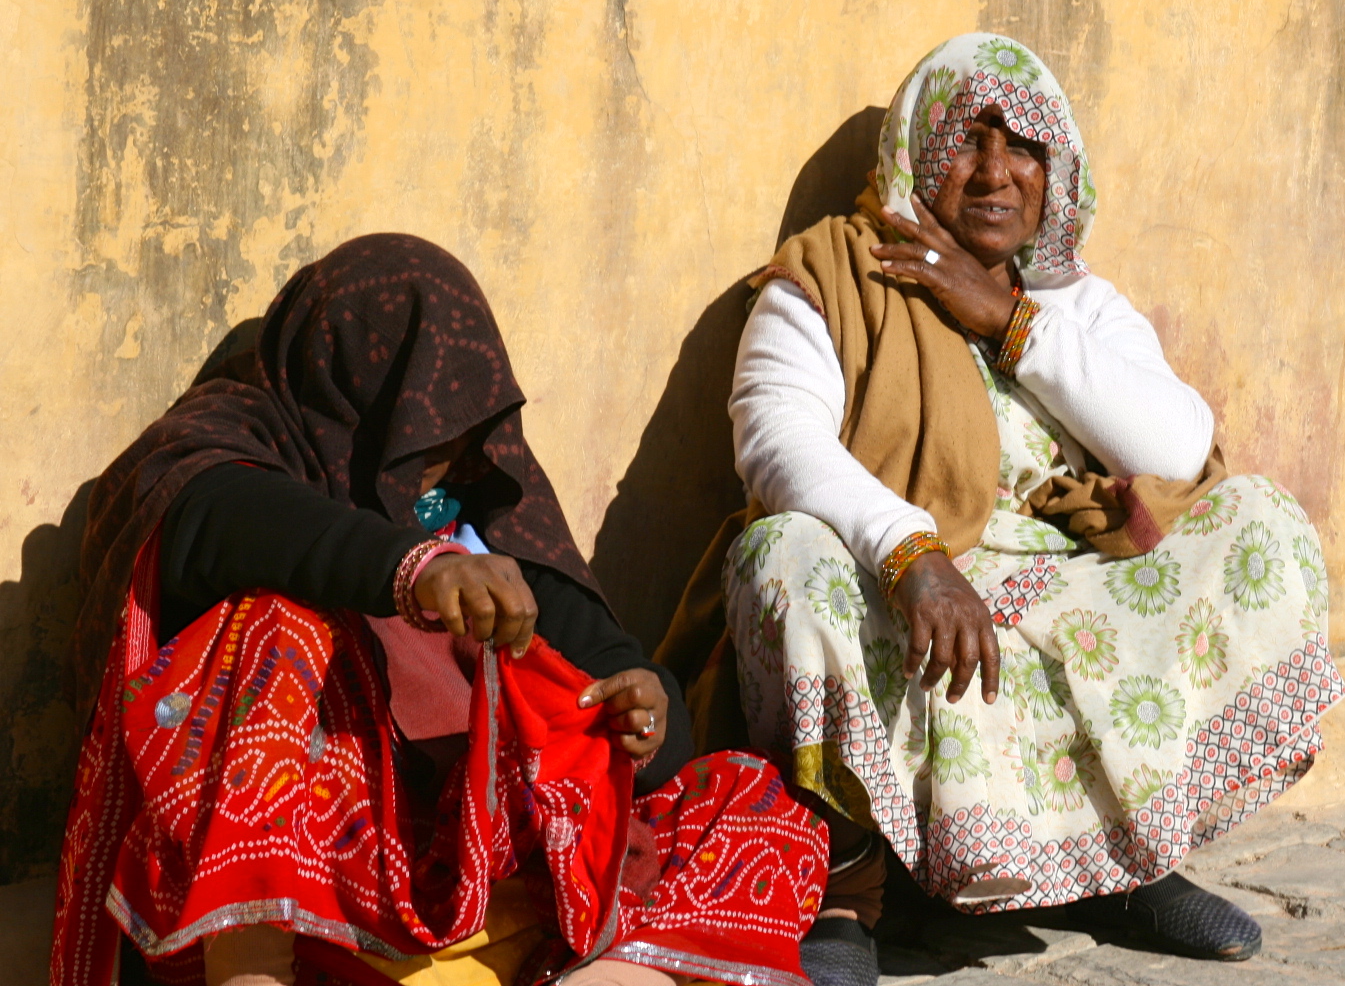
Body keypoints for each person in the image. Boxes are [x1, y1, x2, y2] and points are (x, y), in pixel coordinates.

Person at [658, 33, 1345, 975]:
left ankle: (1125, 864)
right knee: (778, 555)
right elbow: (776, 439)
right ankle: (845, 893)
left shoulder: (1078, 303)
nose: (994, 171)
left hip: (1064, 589)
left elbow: (1182, 447)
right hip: (908, 595)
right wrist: (913, 555)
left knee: (1256, 521)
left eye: (1022, 145)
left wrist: (1009, 320)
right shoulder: (835, 276)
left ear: (1055, 172)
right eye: (966, 139)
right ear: (915, 151)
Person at [53, 235, 827, 986]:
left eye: (466, 441)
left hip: (501, 873)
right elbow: (211, 517)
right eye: (425, 444)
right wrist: (410, 568)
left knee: (758, 806)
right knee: (267, 630)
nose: (451, 470)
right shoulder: (222, 451)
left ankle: (608, 976)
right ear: (355, 400)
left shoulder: (477, 498)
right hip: (345, 889)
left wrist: (640, 710)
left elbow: (606, 667)